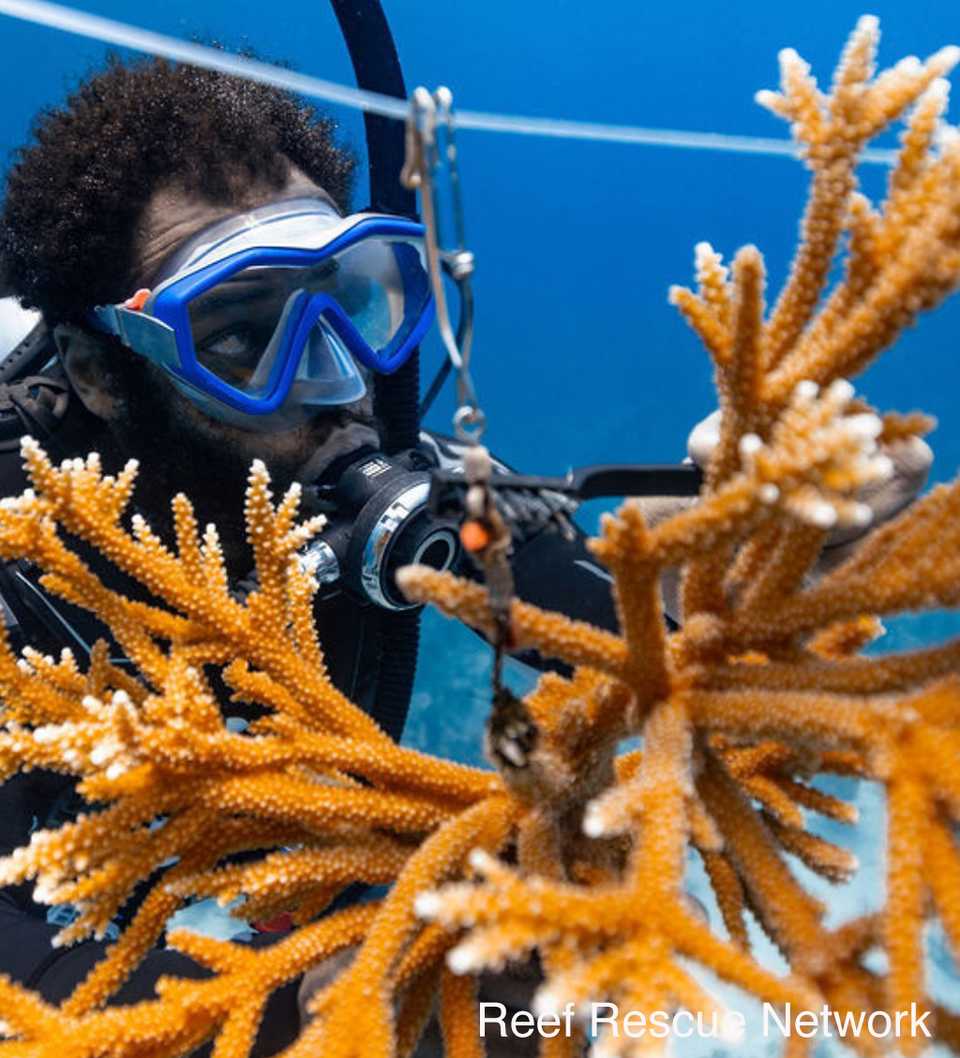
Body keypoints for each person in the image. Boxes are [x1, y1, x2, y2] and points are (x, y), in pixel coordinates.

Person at [0, 55, 932, 1058]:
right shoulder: (19, 541)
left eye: (352, 303)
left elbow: (611, 616)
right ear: (102, 370)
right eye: (240, 336)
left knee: (518, 1002)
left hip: (215, 851)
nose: (331, 380)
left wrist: (757, 547)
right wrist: (358, 1022)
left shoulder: (398, 485)